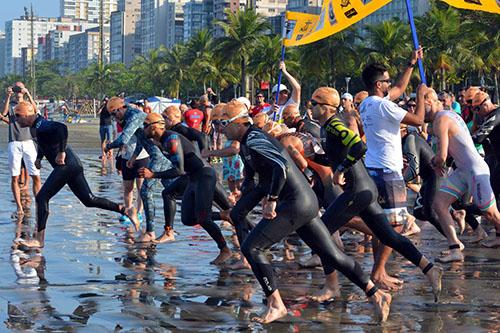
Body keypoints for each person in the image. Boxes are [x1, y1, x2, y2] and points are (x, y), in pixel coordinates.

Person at [220, 100, 393, 324]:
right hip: (304, 202)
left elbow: (280, 167)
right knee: (332, 254)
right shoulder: (246, 143)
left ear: (240, 123)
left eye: (223, 123)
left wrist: (271, 201)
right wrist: (240, 208)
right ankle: (376, 294)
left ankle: (276, 304)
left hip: (296, 203)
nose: (219, 129)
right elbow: (259, 183)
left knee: (252, 247)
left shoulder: (254, 138)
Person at [310, 86, 442, 299]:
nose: (310, 107)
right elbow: (334, 157)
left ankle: (332, 286)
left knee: (321, 232)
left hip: (358, 189)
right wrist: (310, 157)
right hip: (365, 189)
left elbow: (358, 147)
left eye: (314, 103)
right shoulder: (326, 127)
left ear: (325, 107)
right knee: (388, 235)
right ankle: (429, 268)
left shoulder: (334, 125)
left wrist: (341, 170)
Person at [13, 101, 139, 249]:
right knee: (89, 200)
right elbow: (43, 142)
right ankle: (126, 210)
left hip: (67, 165)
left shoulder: (41, 124)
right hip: (72, 165)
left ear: (28, 114)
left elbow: (62, 128)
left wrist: (61, 152)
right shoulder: (35, 127)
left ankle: (39, 240)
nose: (16, 119)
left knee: (42, 197)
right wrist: (39, 158)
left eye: (18, 115)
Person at [359, 48, 427, 289]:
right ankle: (378, 272)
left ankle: (379, 269)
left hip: (374, 169)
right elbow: (418, 120)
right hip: (389, 172)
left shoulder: (368, 103)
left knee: (382, 224)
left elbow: (397, 89)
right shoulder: (383, 107)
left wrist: (410, 65)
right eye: (386, 80)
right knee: (395, 225)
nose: (390, 83)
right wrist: (421, 96)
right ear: (378, 84)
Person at [139, 113, 233, 265]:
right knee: (187, 217)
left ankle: (225, 249)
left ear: (155, 126)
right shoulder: (160, 140)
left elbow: (179, 170)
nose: (143, 129)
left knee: (204, 216)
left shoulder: (171, 139)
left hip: (204, 175)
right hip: (193, 177)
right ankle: (223, 215)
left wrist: (153, 174)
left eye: (145, 126)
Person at [425, 88, 500, 261]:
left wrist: (436, 162)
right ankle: (455, 248)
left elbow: (442, 156)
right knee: (439, 204)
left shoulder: (441, 120)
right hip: (463, 170)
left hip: (475, 170)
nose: (418, 113)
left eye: (421, 107)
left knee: (490, 213)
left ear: (430, 103)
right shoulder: (449, 115)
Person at [105, 97, 149, 224]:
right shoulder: (122, 115)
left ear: (120, 109)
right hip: (126, 155)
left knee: (141, 187)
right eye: (112, 115)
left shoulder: (135, 115)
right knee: (127, 187)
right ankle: (129, 211)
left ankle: (139, 213)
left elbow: (124, 139)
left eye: (114, 114)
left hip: (141, 154)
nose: (114, 117)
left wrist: (108, 146)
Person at [1, 82, 41, 218]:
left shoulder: (28, 105)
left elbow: (35, 111)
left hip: (28, 142)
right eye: (16, 88)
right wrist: (8, 96)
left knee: (36, 175)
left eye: (20, 88)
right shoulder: (11, 105)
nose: (18, 91)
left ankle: (39, 204)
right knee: (14, 176)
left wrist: (28, 93)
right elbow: (3, 113)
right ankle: (19, 207)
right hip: (14, 143)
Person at [98, 97, 114, 165]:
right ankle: (103, 154)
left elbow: (111, 113)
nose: (105, 102)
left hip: (109, 125)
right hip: (102, 125)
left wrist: (108, 105)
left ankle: (110, 154)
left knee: (110, 140)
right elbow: (98, 112)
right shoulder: (102, 107)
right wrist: (102, 105)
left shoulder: (109, 107)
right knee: (103, 140)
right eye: (104, 100)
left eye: (107, 101)